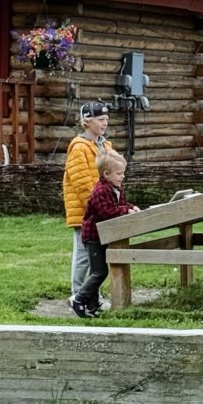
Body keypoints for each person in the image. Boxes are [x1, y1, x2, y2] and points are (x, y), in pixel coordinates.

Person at [70, 149, 140, 319]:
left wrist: (131, 206)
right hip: (93, 237)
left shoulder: (115, 188)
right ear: (106, 174)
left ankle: (92, 306)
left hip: (103, 236)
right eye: (119, 173)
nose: (122, 176)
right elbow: (107, 212)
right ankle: (78, 299)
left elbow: (120, 204)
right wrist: (126, 210)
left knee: (98, 271)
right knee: (99, 272)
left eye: (123, 173)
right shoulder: (101, 190)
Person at [63, 101, 112, 298]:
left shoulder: (105, 145)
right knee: (83, 256)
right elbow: (82, 184)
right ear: (87, 121)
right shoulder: (79, 148)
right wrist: (96, 209)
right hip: (86, 212)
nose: (105, 123)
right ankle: (77, 294)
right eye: (100, 119)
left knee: (97, 257)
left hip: (102, 209)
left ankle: (92, 294)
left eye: (107, 119)